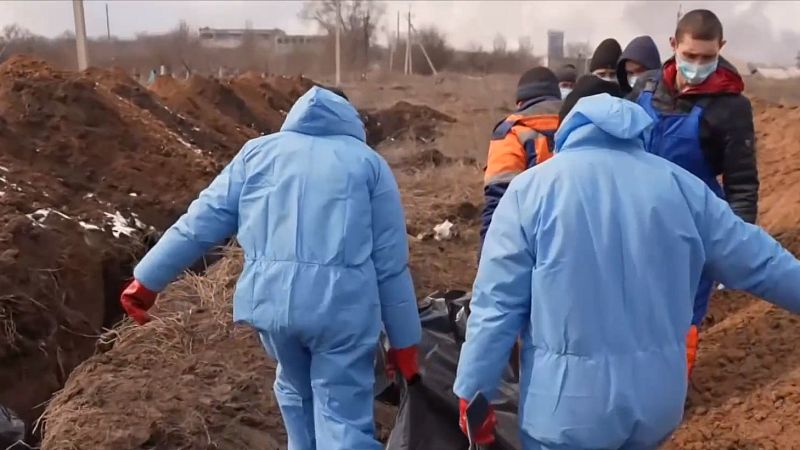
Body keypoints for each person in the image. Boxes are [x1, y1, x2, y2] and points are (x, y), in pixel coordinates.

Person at [453, 77, 800, 449]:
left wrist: (473, 391)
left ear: (566, 126)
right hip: (656, 404)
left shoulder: (530, 191)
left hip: (566, 412)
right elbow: (763, 263)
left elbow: (496, 306)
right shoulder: (682, 188)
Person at [119, 85, 422, 450]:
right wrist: (404, 342)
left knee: (295, 392)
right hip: (340, 312)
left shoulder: (256, 155)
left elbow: (200, 222)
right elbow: (390, 264)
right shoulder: (368, 164)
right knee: (341, 416)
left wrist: (147, 280)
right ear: (349, 118)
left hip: (272, 306)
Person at [629, 9, 758, 376]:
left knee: (681, 317)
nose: (697, 65)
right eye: (690, 56)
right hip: (637, 218)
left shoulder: (732, 107)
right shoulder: (646, 89)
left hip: (694, 229)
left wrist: (738, 246)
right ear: (673, 46)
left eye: (707, 57)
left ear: (721, 48)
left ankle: (668, 393)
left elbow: (742, 181)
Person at [480, 67, 561, 251]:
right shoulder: (580, 121)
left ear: (520, 102)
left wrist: (487, 255)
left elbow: (499, 198)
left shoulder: (511, 131)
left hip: (530, 241)